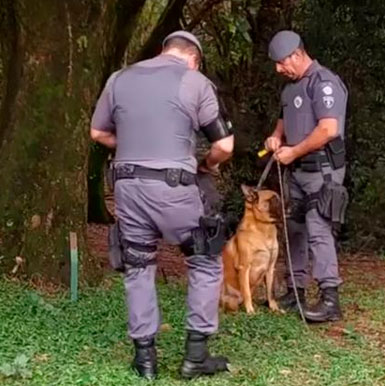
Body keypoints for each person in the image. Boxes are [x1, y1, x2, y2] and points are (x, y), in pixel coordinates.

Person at [90, 30, 234, 380]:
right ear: (194, 59)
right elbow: (225, 145)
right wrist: (208, 164)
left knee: (138, 264)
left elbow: (98, 133)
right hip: (174, 187)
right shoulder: (196, 82)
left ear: (164, 51)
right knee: (204, 257)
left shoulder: (119, 78)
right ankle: (195, 356)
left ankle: (145, 361)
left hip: (127, 186)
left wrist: (135, 147)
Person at [264, 30, 349, 323]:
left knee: (318, 229)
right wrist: (275, 139)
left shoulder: (324, 83)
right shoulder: (289, 89)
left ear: (297, 55)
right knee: (295, 229)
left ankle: (329, 299)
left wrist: (294, 151)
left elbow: (328, 129)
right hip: (296, 171)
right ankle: (296, 290)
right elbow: (281, 124)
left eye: (281, 62)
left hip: (322, 171)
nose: (278, 69)